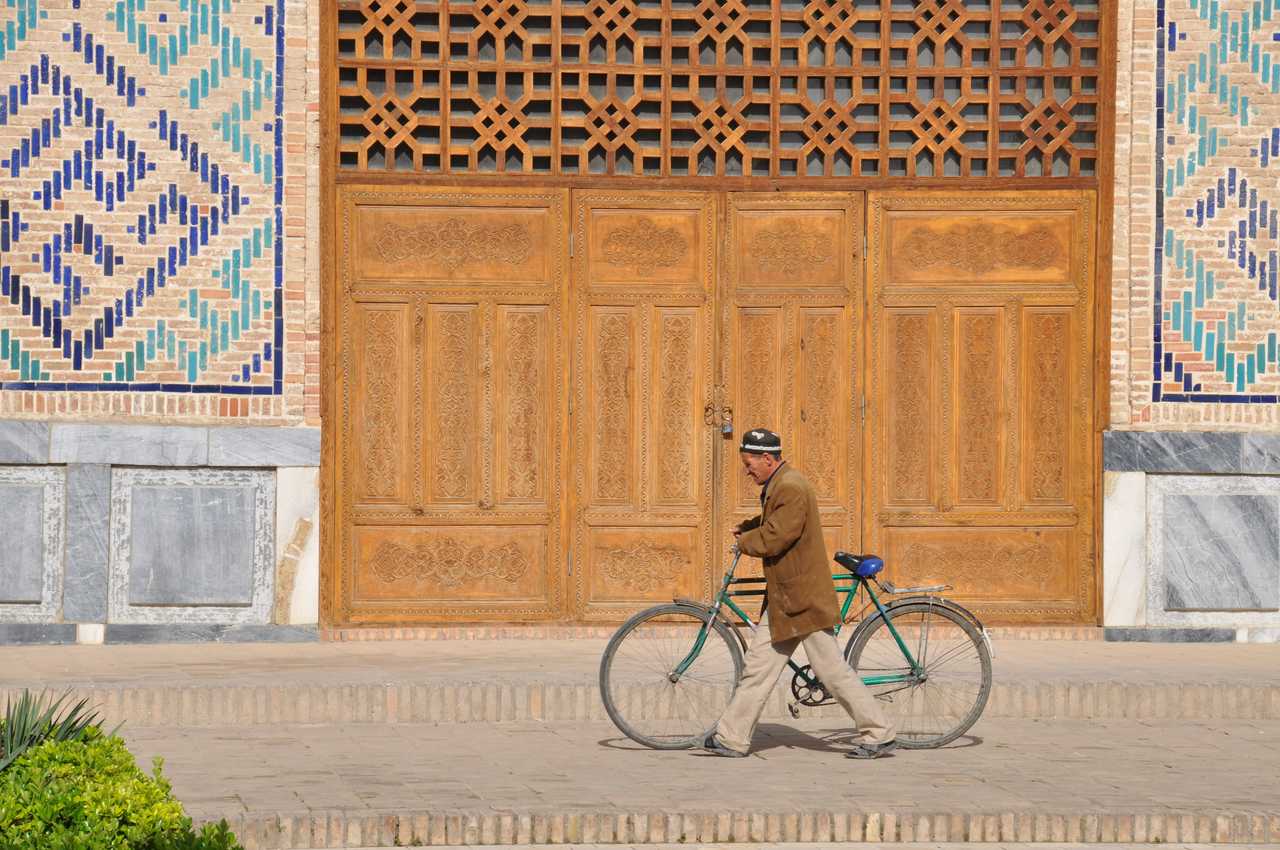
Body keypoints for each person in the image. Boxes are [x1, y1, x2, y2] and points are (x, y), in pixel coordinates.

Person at [702, 428, 897, 759]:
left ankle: (879, 732)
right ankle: (731, 737)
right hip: (786, 599)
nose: (747, 470)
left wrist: (745, 541)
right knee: (759, 667)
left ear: (767, 458)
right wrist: (750, 526)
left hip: (803, 598)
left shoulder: (791, 486)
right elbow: (775, 521)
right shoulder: (780, 483)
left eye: (749, 464)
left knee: (830, 671)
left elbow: (776, 536)